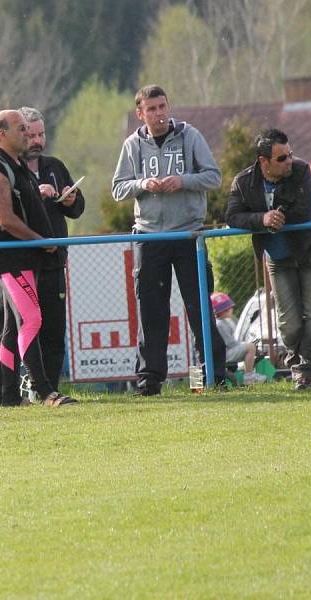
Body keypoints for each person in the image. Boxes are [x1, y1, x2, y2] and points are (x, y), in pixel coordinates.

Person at [112, 84, 227, 395]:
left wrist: (184, 181)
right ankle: (149, 382)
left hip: (189, 234)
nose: (159, 113)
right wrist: (143, 184)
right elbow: (118, 188)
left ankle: (213, 376)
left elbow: (213, 177)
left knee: (199, 307)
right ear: (141, 114)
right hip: (149, 237)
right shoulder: (132, 145)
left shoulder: (190, 136)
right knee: (151, 312)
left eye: (162, 106)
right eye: (151, 109)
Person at [0, 106, 86, 405]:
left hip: (28, 260)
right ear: (1, 134)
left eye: (31, 130)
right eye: (22, 129)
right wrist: (41, 240)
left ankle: (8, 397)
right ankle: (45, 392)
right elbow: (5, 220)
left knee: (9, 330)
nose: (28, 134)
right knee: (31, 320)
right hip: (11, 260)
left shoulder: (16, 166)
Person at [226, 128, 311, 390]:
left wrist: (276, 216)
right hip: (278, 258)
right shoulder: (243, 182)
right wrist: (261, 218)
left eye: (290, 155)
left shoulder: (302, 171)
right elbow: (233, 216)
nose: (289, 161)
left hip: (310, 248)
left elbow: (305, 211)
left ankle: (305, 371)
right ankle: (301, 366)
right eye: (282, 158)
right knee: (289, 324)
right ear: (264, 161)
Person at [210, 292, 266, 384]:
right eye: (229, 308)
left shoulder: (221, 323)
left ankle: (247, 373)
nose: (231, 310)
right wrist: (246, 344)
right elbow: (231, 344)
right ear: (224, 310)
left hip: (223, 354)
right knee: (251, 347)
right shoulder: (220, 325)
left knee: (249, 346)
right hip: (226, 355)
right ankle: (249, 376)